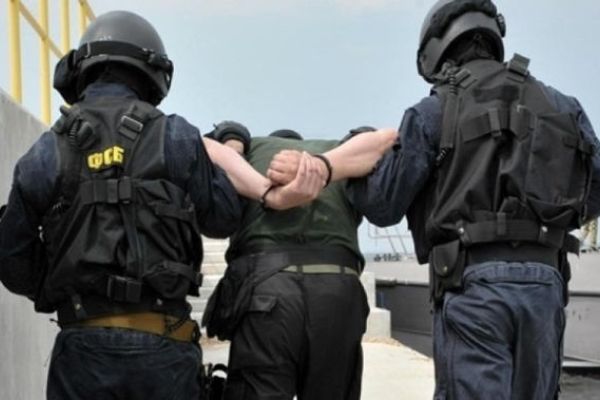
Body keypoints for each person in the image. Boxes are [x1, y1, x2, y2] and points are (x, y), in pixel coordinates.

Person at [0, 11, 321, 400]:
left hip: (81, 349)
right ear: (152, 72)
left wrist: (57, 285)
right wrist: (231, 147)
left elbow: (12, 258)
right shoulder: (176, 136)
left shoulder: (46, 152)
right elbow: (222, 218)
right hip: (164, 349)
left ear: (83, 70)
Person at [344, 1, 600, 399]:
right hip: (545, 284)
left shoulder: (433, 111)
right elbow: (593, 191)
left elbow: (384, 205)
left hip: (473, 286)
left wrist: (351, 169)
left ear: (435, 51)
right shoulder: (564, 106)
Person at [203, 122, 396, 400]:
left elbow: (210, 145)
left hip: (267, 292)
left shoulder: (251, 152)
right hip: (337, 291)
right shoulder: (340, 154)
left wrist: (232, 138)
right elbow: (380, 141)